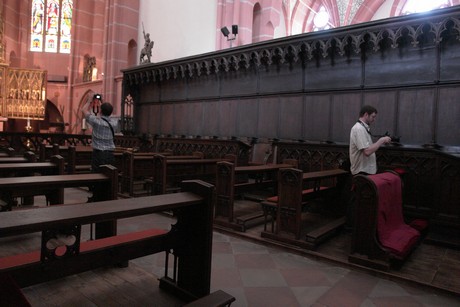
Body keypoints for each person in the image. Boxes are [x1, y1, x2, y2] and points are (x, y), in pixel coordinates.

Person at [349, 105, 392, 175]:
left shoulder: (363, 128)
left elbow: (368, 148)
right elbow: (367, 152)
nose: (374, 119)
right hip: (361, 171)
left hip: (365, 170)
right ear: (366, 114)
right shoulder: (359, 129)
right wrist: (381, 140)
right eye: (373, 116)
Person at [82, 94, 118, 172]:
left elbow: (84, 110)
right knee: (108, 174)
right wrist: (103, 102)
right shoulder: (114, 123)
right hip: (110, 154)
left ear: (101, 111)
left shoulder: (96, 122)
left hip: (98, 154)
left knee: (96, 174)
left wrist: (89, 101)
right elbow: (109, 114)